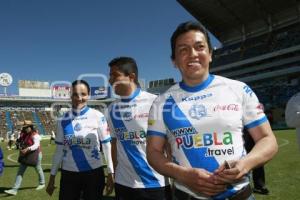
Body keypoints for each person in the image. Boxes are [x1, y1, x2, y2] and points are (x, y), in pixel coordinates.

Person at [146, 21, 278, 200]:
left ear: (210, 54)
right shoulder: (160, 102)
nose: (192, 54)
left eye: (199, 47)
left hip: (240, 195)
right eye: (183, 50)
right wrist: (182, 174)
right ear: (174, 61)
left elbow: (267, 139)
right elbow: (153, 153)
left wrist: (245, 165)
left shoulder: (239, 89)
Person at [106, 57, 171, 200]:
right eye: (110, 75)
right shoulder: (111, 109)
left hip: (155, 183)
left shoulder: (155, 102)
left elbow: (168, 144)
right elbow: (115, 144)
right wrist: (113, 173)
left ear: (131, 76)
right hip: (123, 183)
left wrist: (175, 176)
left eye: (114, 75)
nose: (110, 80)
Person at [46, 80, 114, 200]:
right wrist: (52, 177)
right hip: (69, 174)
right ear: (70, 95)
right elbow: (59, 150)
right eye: (75, 94)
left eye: (83, 94)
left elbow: (107, 146)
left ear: (89, 95)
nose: (79, 98)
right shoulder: (63, 119)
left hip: (93, 173)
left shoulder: (98, 116)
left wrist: (110, 173)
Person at [4, 120, 45, 196]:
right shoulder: (24, 134)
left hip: (36, 154)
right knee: (20, 171)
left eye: (27, 127)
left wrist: (27, 149)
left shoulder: (35, 134)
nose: (25, 129)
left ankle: (42, 183)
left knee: (38, 169)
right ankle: (15, 189)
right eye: (25, 127)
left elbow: (36, 145)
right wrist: (18, 144)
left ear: (31, 127)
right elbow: (19, 141)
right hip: (26, 155)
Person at [243, 129, 269, 195]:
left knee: (257, 160)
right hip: (244, 133)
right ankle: (242, 186)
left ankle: (259, 185)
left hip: (252, 132)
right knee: (243, 159)